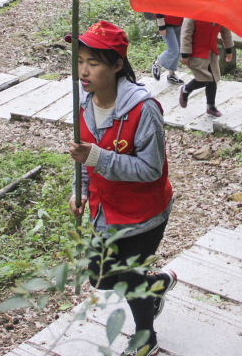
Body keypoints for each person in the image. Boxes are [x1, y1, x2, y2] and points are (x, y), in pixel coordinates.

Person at [66, 20, 177, 356]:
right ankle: (155, 284)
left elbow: (150, 169)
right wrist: (80, 189)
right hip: (105, 212)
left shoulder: (143, 110)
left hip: (144, 215)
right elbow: (84, 156)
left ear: (116, 66)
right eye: (80, 61)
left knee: (129, 279)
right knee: (100, 278)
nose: (83, 71)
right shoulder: (84, 104)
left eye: (94, 63)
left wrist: (98, 158)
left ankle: (147, 339)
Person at [178, 19, 234, 117]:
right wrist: (184, 54)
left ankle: (211, 106)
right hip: (197, 52)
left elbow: (226, 32)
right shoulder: (193, 15)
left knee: (213, 79)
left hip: (211, 52)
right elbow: (186, 34)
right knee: (204, 79)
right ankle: (185, 89)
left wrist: (228, 49)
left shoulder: (218, 15)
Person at [151, 14, 185, 85]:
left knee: (179, 50)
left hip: (179, 21)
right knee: (173, 51)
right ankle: (157, 63)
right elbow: (159, 8)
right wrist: (161, 26)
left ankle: (171, 74)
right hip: (166, 23)